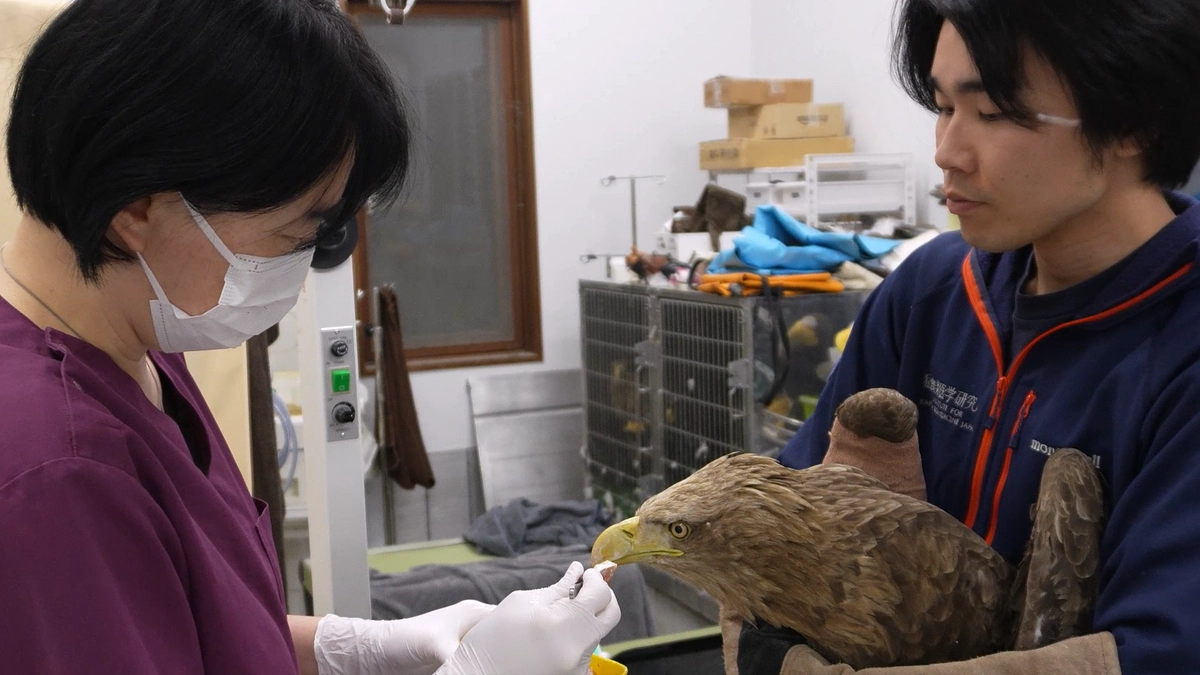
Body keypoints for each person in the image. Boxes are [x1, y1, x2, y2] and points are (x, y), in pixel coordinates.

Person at [0, 1, 619, 674]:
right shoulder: (54, 472)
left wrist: (356, 644)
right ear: (138, 209)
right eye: (293, 238)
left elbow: (192, 621)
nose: (296, 278)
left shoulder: (137, 349)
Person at [739, 0, 1200, 673]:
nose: (947, 152)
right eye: (942, 106)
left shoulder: (1180, 343)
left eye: (991, 113)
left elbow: (1160, 649)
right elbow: (794, 515)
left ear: (1133, 122)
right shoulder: (931, 290)